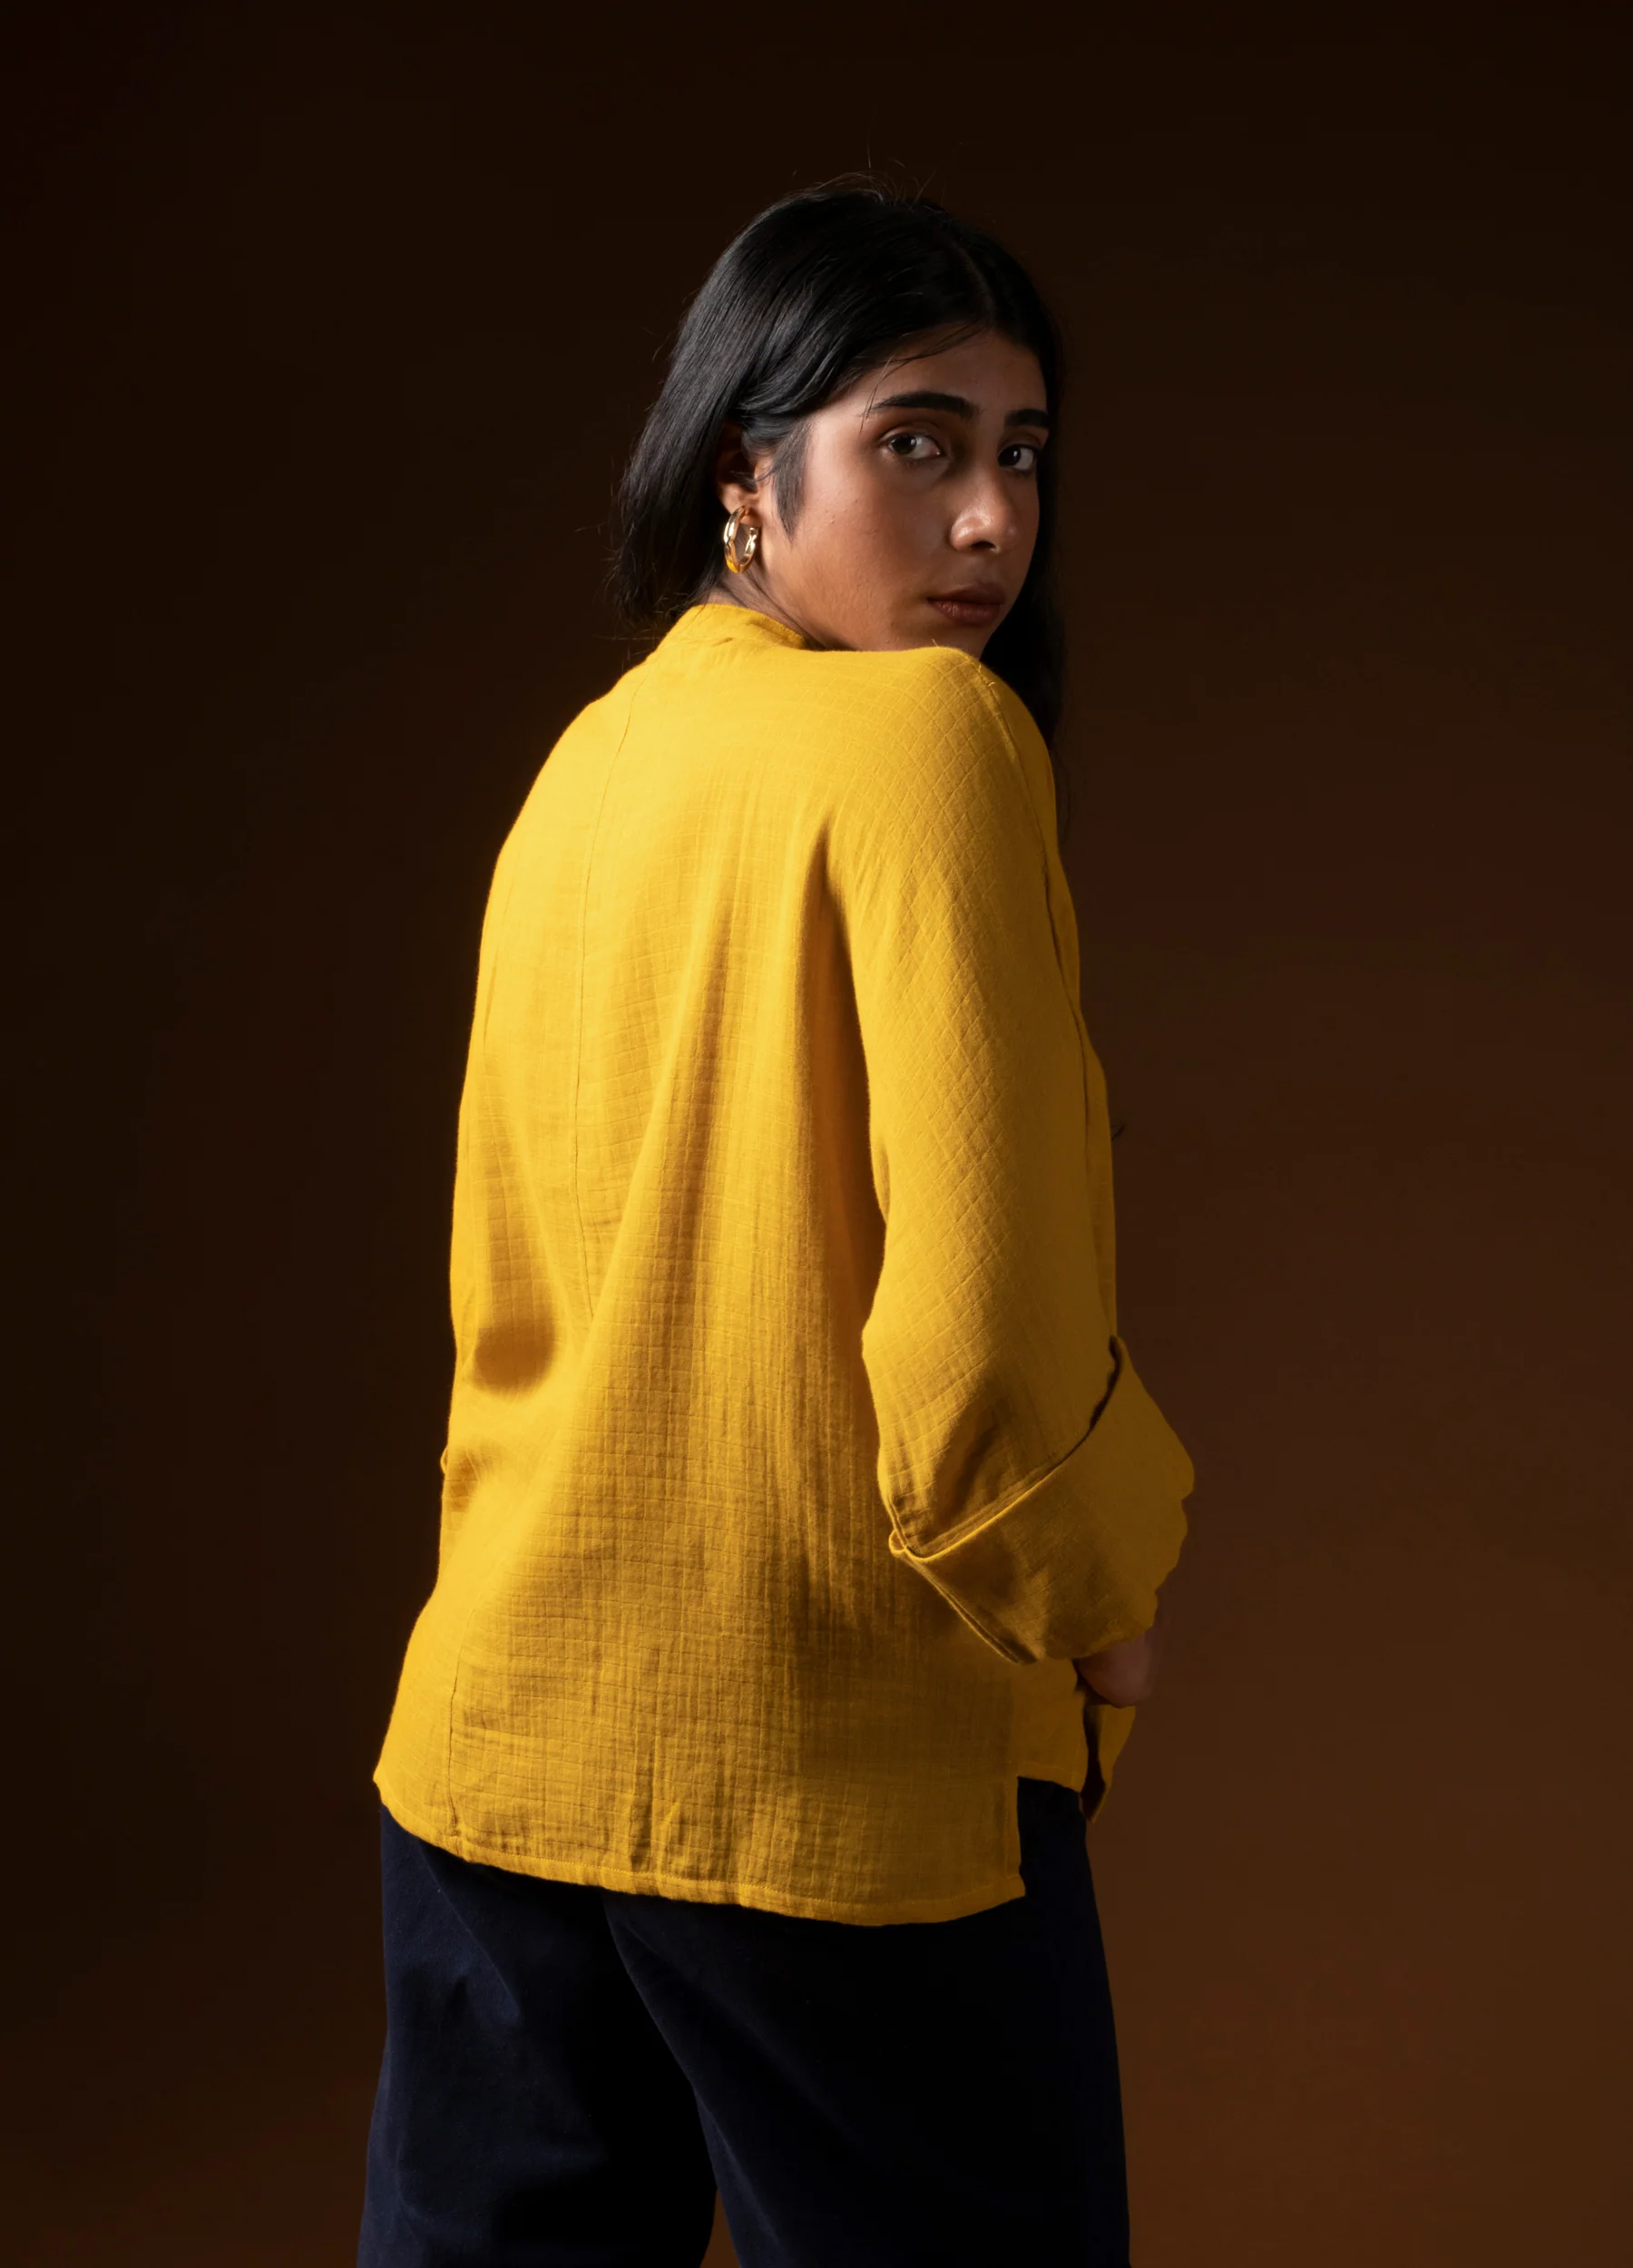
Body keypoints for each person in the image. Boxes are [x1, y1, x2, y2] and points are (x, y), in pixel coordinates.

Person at [359, 177, 1194, 2268]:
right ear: (747, 470)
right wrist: (1102, 1586)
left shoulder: (584, 765)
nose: (990, 518)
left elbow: (504, 1292)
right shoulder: (934, 739)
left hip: (496, 1750)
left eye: (1022, 453)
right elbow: (983, 1352)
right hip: (833, 1773)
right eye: (917, 441)